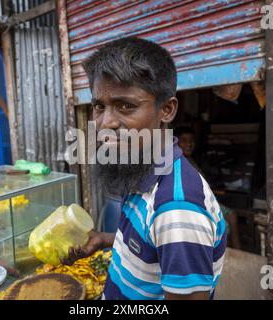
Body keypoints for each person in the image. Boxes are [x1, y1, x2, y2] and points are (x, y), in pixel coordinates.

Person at [63, 37, 227, 300]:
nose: (106, 123)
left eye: (126, 106)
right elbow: (152, 243)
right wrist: (105, 239)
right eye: (99, 106)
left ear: (167, 109)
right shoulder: (142, 170)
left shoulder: (177, 209)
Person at [175, 126, 241, 250]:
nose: (189, 144)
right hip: (195, 204)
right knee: (224, 226)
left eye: (191, 140)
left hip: (206, 200)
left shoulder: (190, 160)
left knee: (232, 215)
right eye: (184, 140)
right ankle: (224, 259)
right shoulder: (177, 163)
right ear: (176, 142)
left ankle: (238, 253)